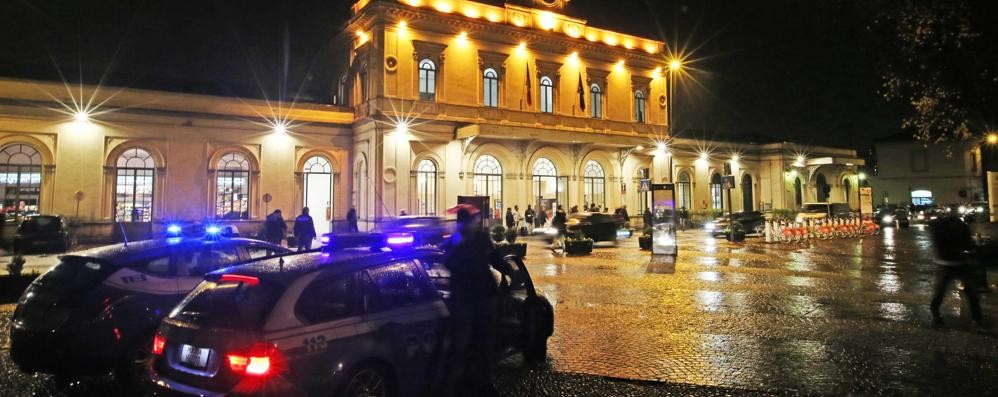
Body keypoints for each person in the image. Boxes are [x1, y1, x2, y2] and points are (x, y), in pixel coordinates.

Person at [436, 205, 504, 396]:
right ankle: (476, 383)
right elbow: (497, 260)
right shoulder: (477, 239)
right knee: (480, 343)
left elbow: (446, 261)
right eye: (472, 220)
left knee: (464, 345)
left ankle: (460, 384)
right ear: (468, 222)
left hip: (465, 299)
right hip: (479, 298)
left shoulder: (456, 241)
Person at [928, 215, 986, 331]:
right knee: (972, 294)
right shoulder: (960, 227)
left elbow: (940, 246)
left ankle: (936, 316)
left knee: (940, 292)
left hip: (946, 264)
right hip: (960, 264)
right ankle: (977, 320)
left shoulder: (940, 229)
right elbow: (968, 244)